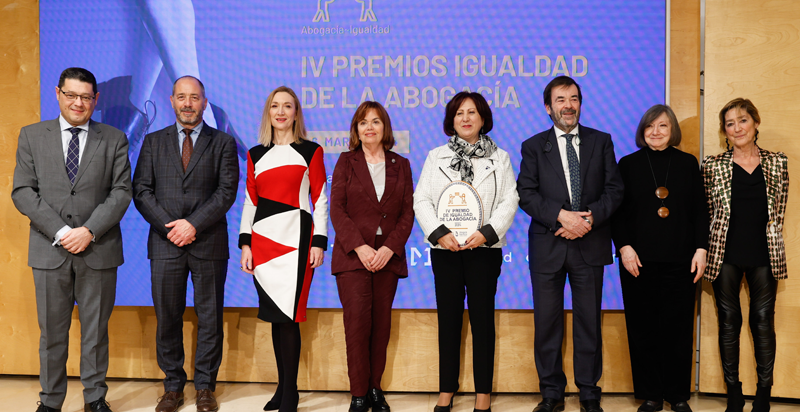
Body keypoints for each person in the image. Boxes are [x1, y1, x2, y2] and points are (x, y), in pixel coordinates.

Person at [12, 67, 132, 412]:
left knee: (96, 332)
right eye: (71, 95)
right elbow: (23, 192)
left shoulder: (114, 139)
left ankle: (95, 398)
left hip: (99, 248)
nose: (78, 103)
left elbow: (121, 192)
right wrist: (63, 232)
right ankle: (50, 402)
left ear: (96, 99)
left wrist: (90, 230)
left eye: (86, 97)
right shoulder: (32, 136)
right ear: (58, 93)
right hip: (50, 251)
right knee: (52, 334)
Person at [517, 75, 624, 412]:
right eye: (561, 99)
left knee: (588, 322)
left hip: (589, 245)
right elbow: (526, 194)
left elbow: (614, 190)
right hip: (548, 246)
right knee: (547, 324)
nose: (568, 105)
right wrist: (562, 217)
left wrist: (588, 219)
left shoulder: (601, 141)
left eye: (574, 98)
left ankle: (590, 393)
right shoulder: (533, 146)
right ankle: (551, 394)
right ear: (548, 107)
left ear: (580, 103)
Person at [132, 75, 239, 412]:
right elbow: (141, 191)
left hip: (208, 241)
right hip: (165, 245)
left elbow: (226, 192)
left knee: (210, 317)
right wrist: (171, 229)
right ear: (172, 100)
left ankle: (205, 387)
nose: (188, 103)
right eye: (182, 97)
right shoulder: (152, 142)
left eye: (195, 97)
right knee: (168, 317)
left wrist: (192, 225)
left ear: (204, 102)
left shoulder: (222, 142)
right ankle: (173, 387)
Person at [413, 91, 519, 412]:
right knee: (448, 321)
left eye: (472, 112)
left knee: (483, 321)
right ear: (451, 120)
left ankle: (483, 394)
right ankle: (447, 390)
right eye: (459, 113)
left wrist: (485, 234)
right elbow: (422, 201)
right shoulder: (436, 157)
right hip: (445, 250)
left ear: (483, 118)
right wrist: (440, 233)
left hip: (483, 250)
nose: (466, 118)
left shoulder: (499, 158)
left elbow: (509, 201)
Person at [610, 105, 708, 412]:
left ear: (672, 130)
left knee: (678, 330)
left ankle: (677, 395)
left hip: (682, 260)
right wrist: (624, 247)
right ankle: (650, 394)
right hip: (637, 261)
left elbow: (700, 212)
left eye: (662, 126)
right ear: (641, 131)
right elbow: (617, 214)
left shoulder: (688, 164)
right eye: (650, 126)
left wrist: (701, 249)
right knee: (643, 329)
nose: (655, 132)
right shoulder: (627, 165)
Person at [239, 86, 328, 412]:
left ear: (295, 112)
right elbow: (250, 201)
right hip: (262, 243)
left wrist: (320, 241)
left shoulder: (311, 151)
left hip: (297, 242)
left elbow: (319, 199)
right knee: (277, 318)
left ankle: (290, 395)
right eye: (275, 106)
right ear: (268, 112)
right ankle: (283, 388)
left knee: (290, 319)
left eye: (287, 106)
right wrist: (245, 243)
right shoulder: (254, 154)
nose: (280, 111)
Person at [702, 98, 788, 412]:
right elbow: (709, 213)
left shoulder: (778, 162)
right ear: (724, 131)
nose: (737, 128)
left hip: (765, 254)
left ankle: (764, 394)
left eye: (742, 120)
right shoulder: (713, 165)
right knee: (728, 322)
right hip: (724, 254)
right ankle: (734, 393)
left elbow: (778, 210)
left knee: (763, 321)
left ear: (755, 122)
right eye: (730, 123)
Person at [330, 101, 415, 412]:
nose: (370, 127)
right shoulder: (345, 161)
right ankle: (358, 393)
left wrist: (389, 248)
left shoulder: (400, 164)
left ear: (385, 128)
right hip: (353, 257)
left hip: (387, 259)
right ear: (356, 129)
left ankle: (375, 389)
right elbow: (337, 210)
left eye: (376, 122)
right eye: (363, 122)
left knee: (381, 326)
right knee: (356, 325)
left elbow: (408, 212)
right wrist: (361, 247)